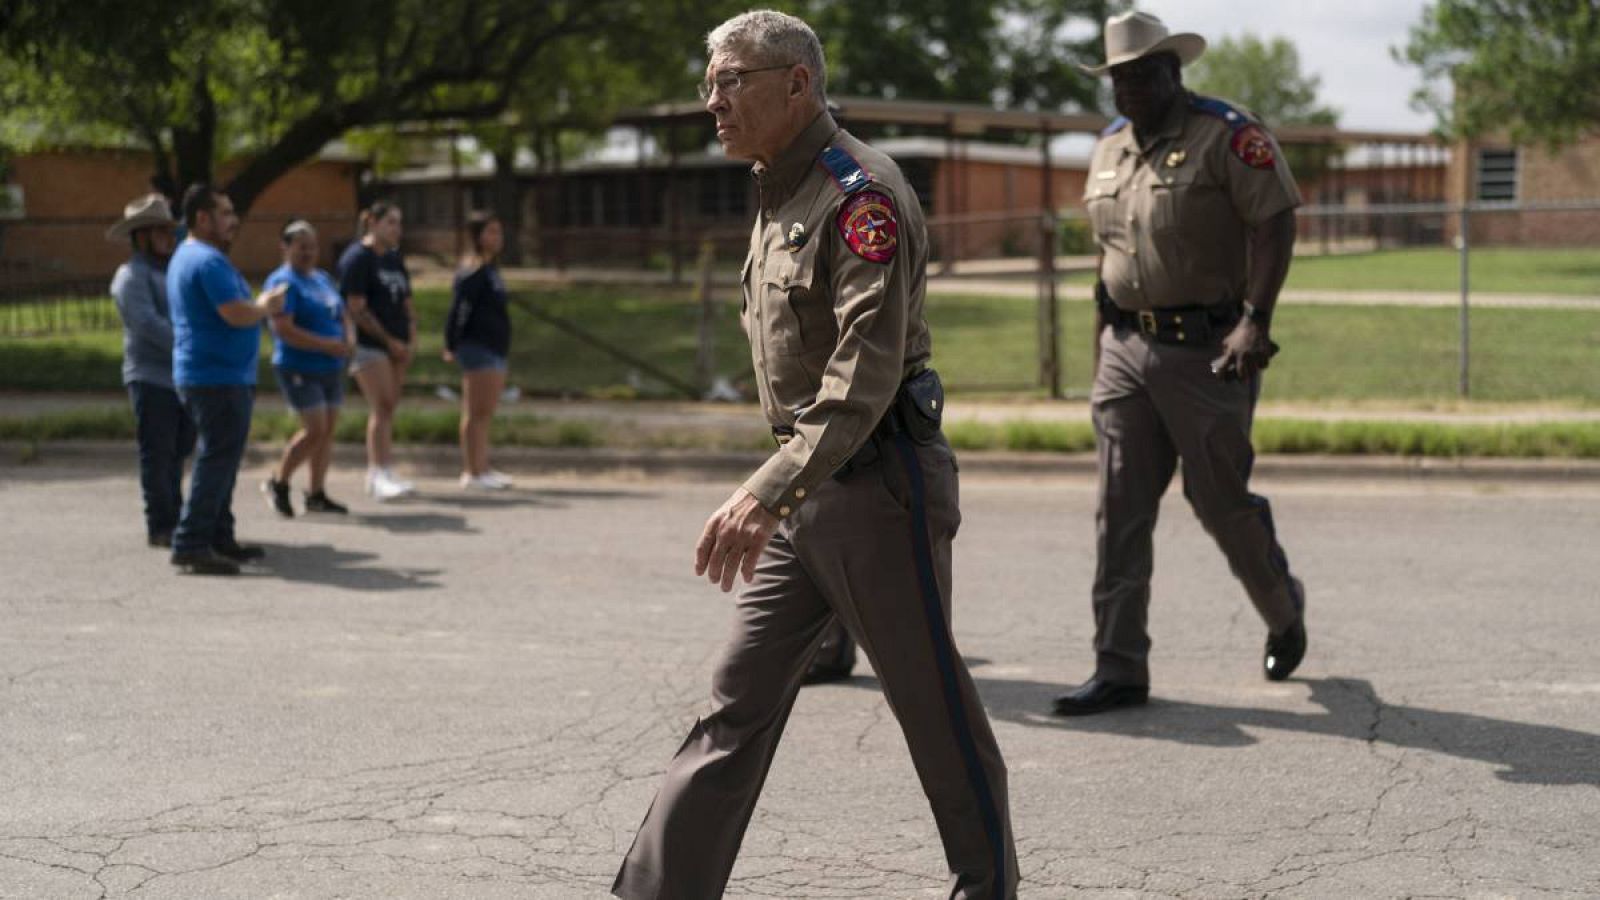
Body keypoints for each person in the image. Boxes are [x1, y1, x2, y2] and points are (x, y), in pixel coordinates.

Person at [613, 12, 1016, 899]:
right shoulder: (776, 188)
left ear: (797, 83)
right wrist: (783, 491)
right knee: (736, 700)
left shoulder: (858, 194)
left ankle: (987, 889)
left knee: (930, 708)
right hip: (808, 493)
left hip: (879, 486)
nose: (711, 101)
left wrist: (765, 491)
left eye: (730, 81)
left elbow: (862, 374)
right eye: (707, 82)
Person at [1052, 11, 1308, 717]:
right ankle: (1119, 667)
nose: (1129, 88)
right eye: (1118, 78)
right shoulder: (1107, 148)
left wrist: (1256, 319)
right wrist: (1105, 321)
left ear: (1175, 71)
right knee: (1119, 511)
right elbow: (1113, 246)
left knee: (1219, 503)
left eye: (1143, 73)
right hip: (1126, 351)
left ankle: (1283, 610)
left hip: (1210, 352)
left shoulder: (1227, 135)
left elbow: (1275, 218)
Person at [167, 183, 286, 576]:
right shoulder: (207, 260)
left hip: (213, 374)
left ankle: (219, 536)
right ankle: (192, 543)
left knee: (222, 460)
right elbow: (235, 313)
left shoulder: (191, 256)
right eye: (225, 213)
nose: (233, 220)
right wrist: (265, 306)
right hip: (216, 377)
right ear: (202, 217)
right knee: (217, 460)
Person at [108, 193, 195, 548]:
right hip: (150, 376)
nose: (166, 236)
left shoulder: (173, 271)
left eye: (168, 229)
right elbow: (147, 324)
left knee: (180, 449)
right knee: (157, 453)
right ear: (140, 235)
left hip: (181, 377)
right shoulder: (130, 276)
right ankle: (160, 524)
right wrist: (190, 343)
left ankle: (176, 514)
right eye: (158, 230)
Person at [262, 220, 354, 517]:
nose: (308, 253)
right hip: (299, 366)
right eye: (301, 247)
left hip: (331, 366)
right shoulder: (282, 282)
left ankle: (316, 493)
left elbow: (342, 314)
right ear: (285, 248)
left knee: (327, 432)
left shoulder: (322, 279)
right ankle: (279, 482)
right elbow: (283, 329)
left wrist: (348, 338)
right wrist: (326, 345)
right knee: (314, 430)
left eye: (312, 247)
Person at [337, 201, 416, 501]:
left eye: (399, 223)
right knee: (381, 405)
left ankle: (386, 468)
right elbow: (356, 308)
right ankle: (376, 472)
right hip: (371, 346)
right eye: (391, 222)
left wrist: (410, 338)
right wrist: (389, 342)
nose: (397, 229)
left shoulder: (394, 259)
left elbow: (407, 300)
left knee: (389, 408)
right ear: (372, 222)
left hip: (397, 345)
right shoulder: (358, 258)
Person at [443, 211, 513, 490]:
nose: (497, 238)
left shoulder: (492, 270)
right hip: (478, 347)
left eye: (499, 231)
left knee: (486, 412)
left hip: (495, 347)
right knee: (475, 411)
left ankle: (483, 467)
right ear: (477, 236)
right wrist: (452, 343)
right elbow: (459, 310)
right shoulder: (473, 271)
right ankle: (472, 472)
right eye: (491, 232)